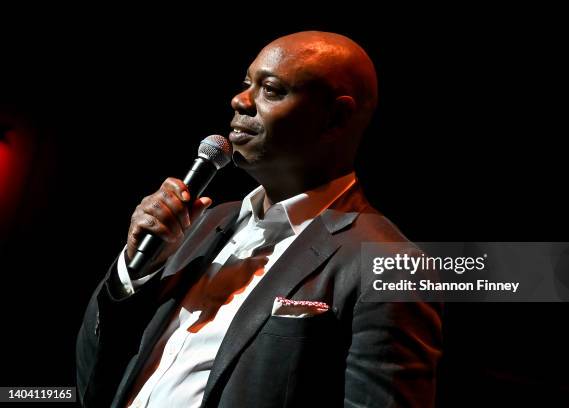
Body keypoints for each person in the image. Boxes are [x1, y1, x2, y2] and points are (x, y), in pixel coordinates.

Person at [76, 31, 442, 408]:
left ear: (336, 117)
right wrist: (134, 273)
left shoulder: (389, 265)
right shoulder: (199, 223)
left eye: (271, 89)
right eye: (246, 84)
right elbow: (95, 379)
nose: (240, 100)